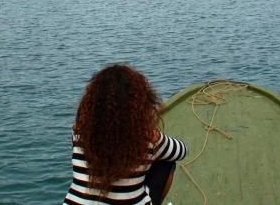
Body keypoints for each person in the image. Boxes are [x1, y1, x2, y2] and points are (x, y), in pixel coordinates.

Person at [64, 64, 188, 205]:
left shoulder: (78, 133)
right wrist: (157, 137)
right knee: (167, 162)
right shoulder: (148, 140)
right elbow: (182, 151)